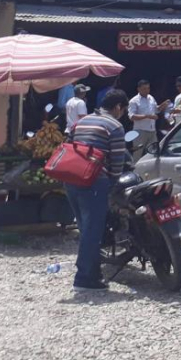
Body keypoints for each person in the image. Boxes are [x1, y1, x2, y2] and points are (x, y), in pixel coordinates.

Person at [64, 89, 128, 291]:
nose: (122, 114)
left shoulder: (82, 121)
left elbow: (69, 145)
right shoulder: (115, 126)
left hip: (71, 179)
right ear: (118, 107)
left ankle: (93, 273)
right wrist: (112, 185)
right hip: (93, 182)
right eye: (123, 110)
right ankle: (84, 278)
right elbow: (117, 162)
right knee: (93, 231)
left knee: (86, 228)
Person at [128, 80, 169, 159]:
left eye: (148, 88)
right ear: (138, 89)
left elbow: (156, 110)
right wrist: (147, 116)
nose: (147, 90)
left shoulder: (151, 98)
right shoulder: (134, 101)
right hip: (140, 131)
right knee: (137, 154)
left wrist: (163, 105)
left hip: (152, 131)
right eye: (144, 89)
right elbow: (132, 117)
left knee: (154, 154)